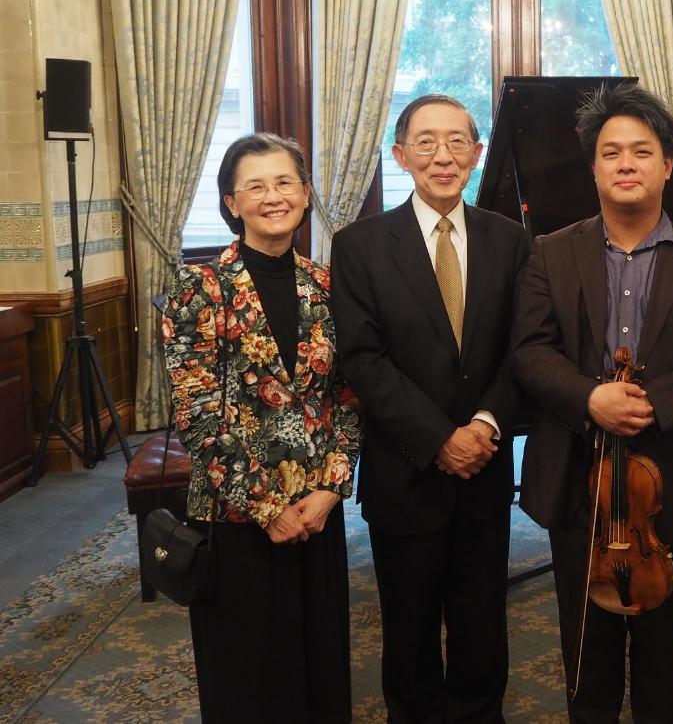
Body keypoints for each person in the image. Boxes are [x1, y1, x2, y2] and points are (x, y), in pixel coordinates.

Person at [511, 82, 673, 722]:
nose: (626, 164)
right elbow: (530, 352)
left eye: (642, 152)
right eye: (611, 152)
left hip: (668, 481)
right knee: (584, 650)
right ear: (593, 166)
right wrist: (590, 398)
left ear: (667, 165)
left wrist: (648, 403)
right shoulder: (549, 253)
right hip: (575, 478)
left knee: (660, 651)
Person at [330, 94, 530, 722]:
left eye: (456, 142)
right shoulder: (359, 245)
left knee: (481, 622)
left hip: (485, 465)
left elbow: (522, 351)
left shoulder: (512, 241)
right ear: (400, 155)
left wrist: (485, 424)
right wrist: (439, 438)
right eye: (426, 142)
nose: (442, 156)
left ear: (477, 154)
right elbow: (362, 359)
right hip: (406, 470)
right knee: (408, 627)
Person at [162, 132, 361, 723]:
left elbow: (349, 398)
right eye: (255, 186)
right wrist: (268, 504)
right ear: (231, 203)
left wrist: (330, 490)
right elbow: (195, 411)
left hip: (317, 512)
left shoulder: (327, 286)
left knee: (318, 661)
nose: (272, 197)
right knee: (247, 673)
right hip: (235, 516)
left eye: (285, 183)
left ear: (305, 193)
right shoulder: (199, 288)